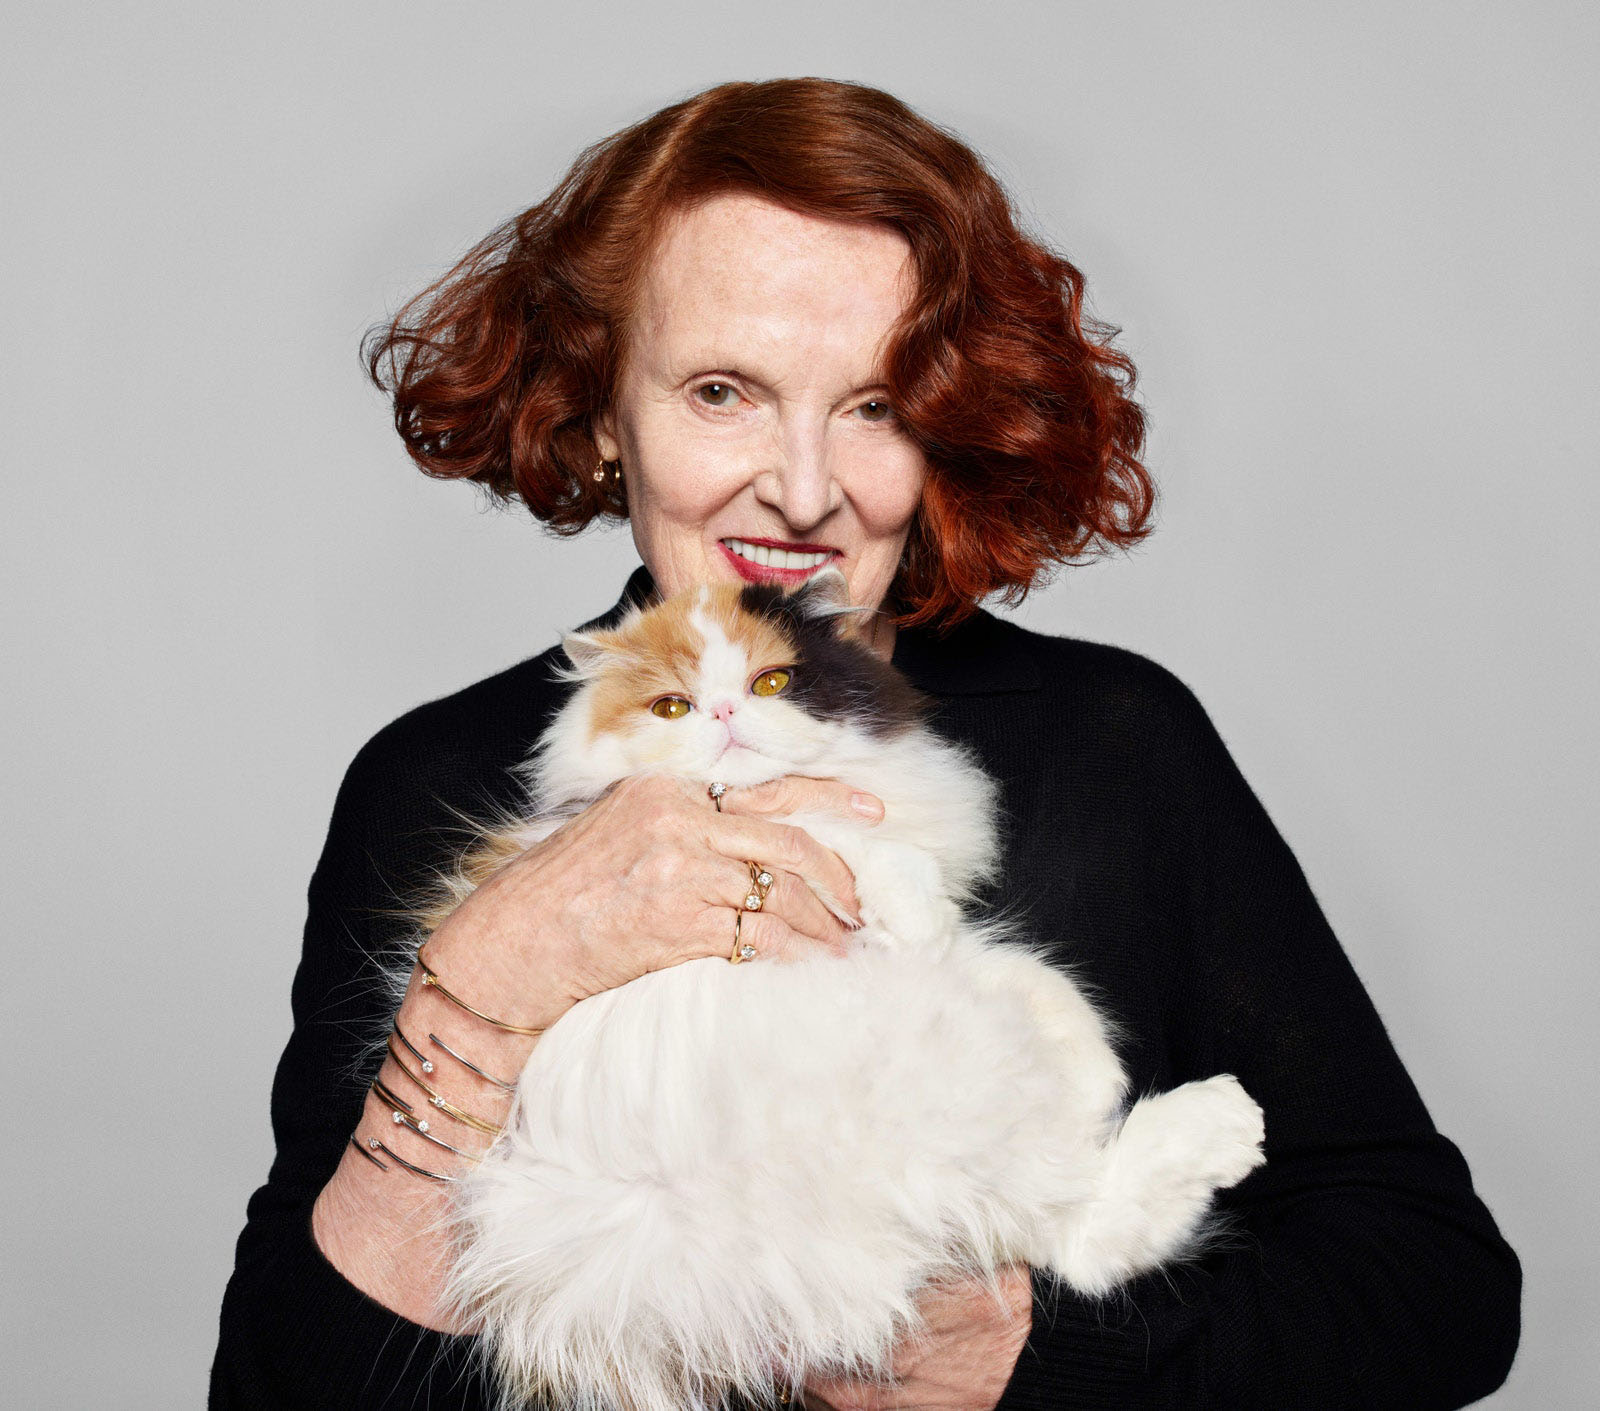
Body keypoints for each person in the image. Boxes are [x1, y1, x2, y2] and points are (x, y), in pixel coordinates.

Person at [210, 78, 1521, 1409]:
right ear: (604, 413)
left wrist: (1028, 1359)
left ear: (951, 425)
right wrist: (485, 985)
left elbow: (1439, 1287)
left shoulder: (1117, 744)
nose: (802, 490)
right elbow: (278, 1388)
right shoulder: (438, 779)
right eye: (721, 391)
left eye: (876, 405)